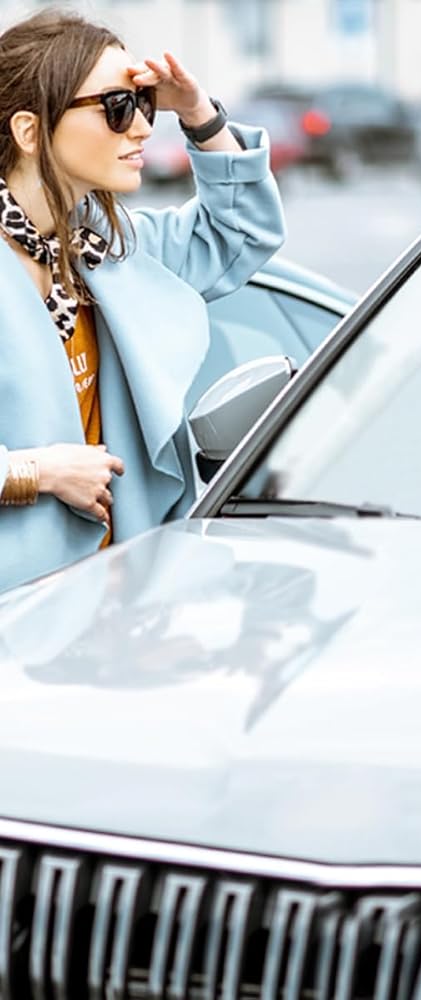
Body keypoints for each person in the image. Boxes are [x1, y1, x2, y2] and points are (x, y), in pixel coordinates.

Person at [0, 8, 285, 592]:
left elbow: (239, 233)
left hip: (122, 601)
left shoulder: (105, 248)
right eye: (116, 107)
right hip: (21, 616)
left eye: (143, 104)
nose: (141, 128)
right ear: (29, 131)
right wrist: (36, 471)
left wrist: (198, 115)